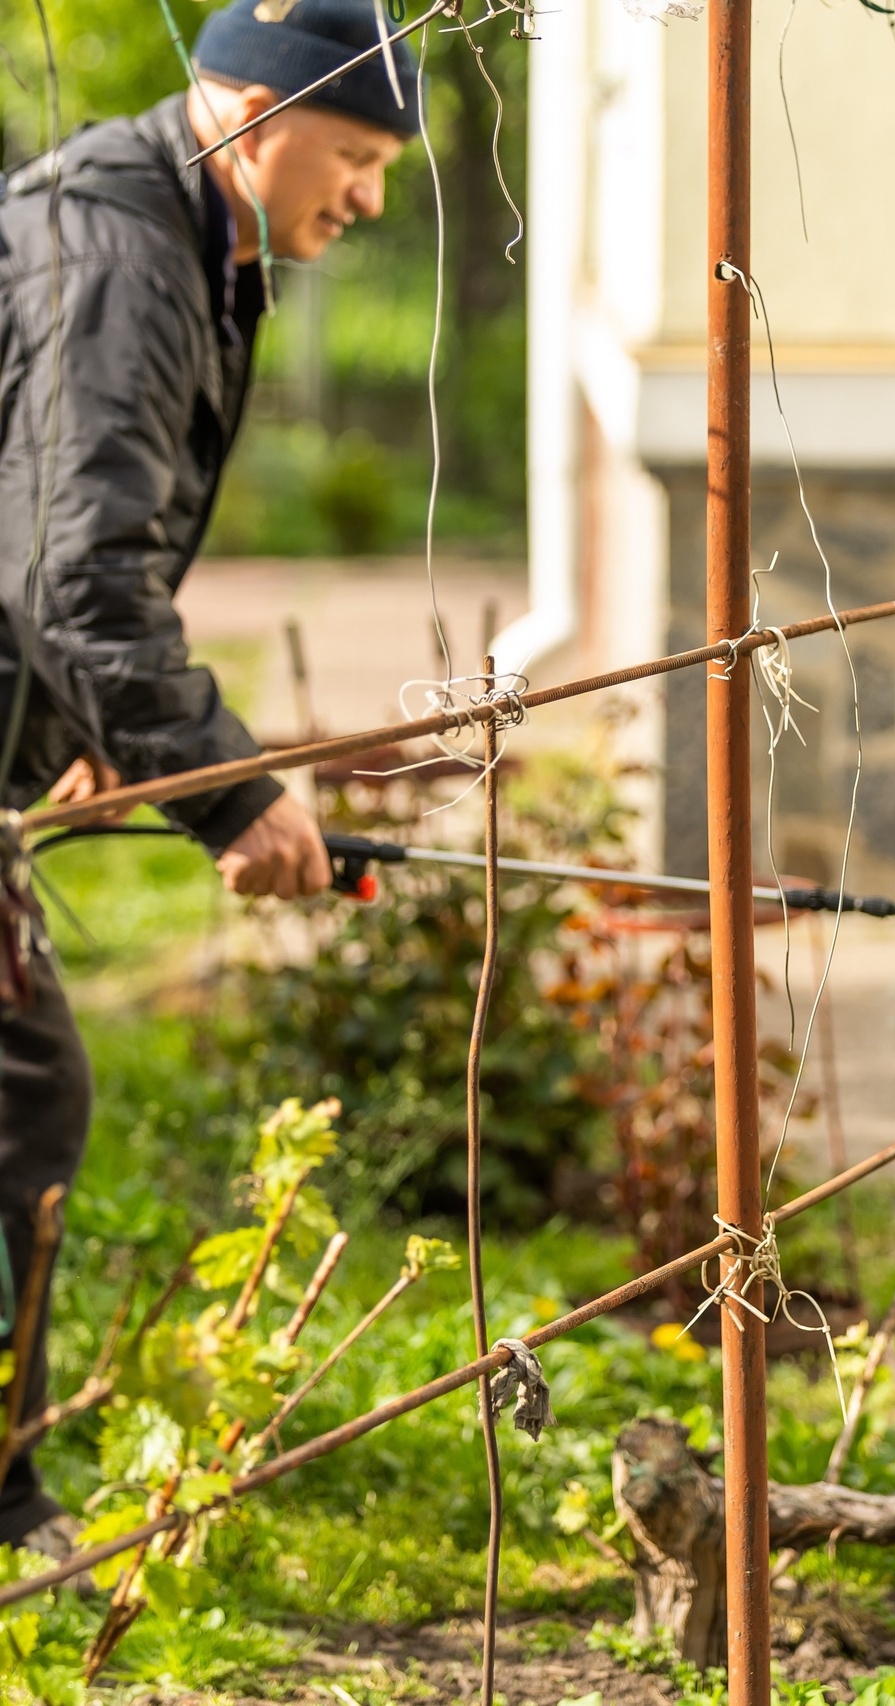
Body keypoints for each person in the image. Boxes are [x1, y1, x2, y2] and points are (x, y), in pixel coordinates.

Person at [0, 0, 419, 1554]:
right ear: (250, 115)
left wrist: (84, 725)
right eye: (354, 154)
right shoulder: (119, 257)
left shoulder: (178, 231)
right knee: (17, 1100)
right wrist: (234, 794)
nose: (368, 197)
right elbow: (77, 579)